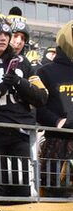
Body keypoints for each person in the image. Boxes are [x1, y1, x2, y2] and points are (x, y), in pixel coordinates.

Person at [0, 9, 46, 198]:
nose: (3, 38)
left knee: (22, 190)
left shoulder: (22, 63)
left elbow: (42, 97)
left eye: (6, 34)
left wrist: (19, 82)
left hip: (18, 135)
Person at [36, 21, 73, 194]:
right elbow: (38, 107)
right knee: (56, 194)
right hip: (57, 145)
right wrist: (56, 121)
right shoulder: (46, 72)